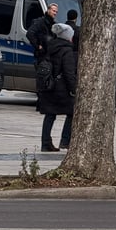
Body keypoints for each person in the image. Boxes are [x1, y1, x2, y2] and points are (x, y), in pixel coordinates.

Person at [37, 22, 77, 152]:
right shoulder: (67, 51)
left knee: (50, 114)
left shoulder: (49, 47)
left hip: (48, 86)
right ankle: (65, 141)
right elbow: (69, 73)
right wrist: (73, 89)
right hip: (61, 89)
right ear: (68, 37)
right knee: (72, 113)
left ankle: (45, 142)